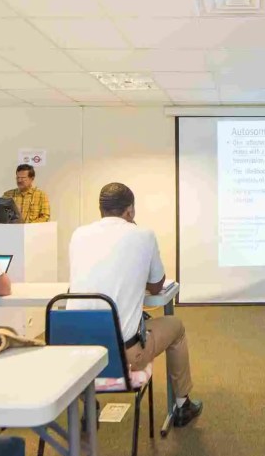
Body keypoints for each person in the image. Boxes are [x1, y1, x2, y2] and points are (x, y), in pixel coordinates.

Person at [68, 182, 202, 427]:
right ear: (129, 211)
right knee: (176, 326)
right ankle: (183, 405)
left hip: (76, 355)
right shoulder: (143, 235)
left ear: (101, 210)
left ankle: (88, 404)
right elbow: (155, 286)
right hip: (123, 357)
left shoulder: (79, 234)